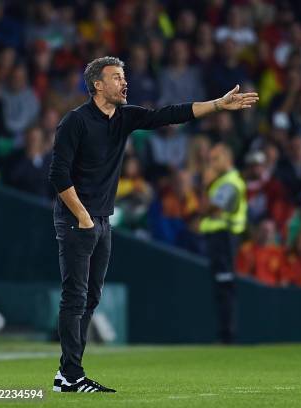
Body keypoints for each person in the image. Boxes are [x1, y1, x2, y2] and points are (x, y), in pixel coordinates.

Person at [48, 56, 257, 393]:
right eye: (116, 77)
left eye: (124, 76)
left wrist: (218, 105)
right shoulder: (75, 122)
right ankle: (70, 375)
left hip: (102, 218)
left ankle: (68, 373)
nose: (124, 82)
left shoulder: (124, 116)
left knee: (91, 297)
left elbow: (170, 114)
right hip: (77, 219)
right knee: (75, 296)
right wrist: (83, 215)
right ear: (97, 85)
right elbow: (58, 174)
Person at [199, 143, 248, 343]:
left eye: (215, 158)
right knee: (221, 287)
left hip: (225, 238)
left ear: (228, 159)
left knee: (224, 286)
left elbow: (211, 209)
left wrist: (206, 185)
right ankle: (225, 334)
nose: (211, 163)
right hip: (219, 239)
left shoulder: (230, 183)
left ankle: (228, 336)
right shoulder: (223, 181)